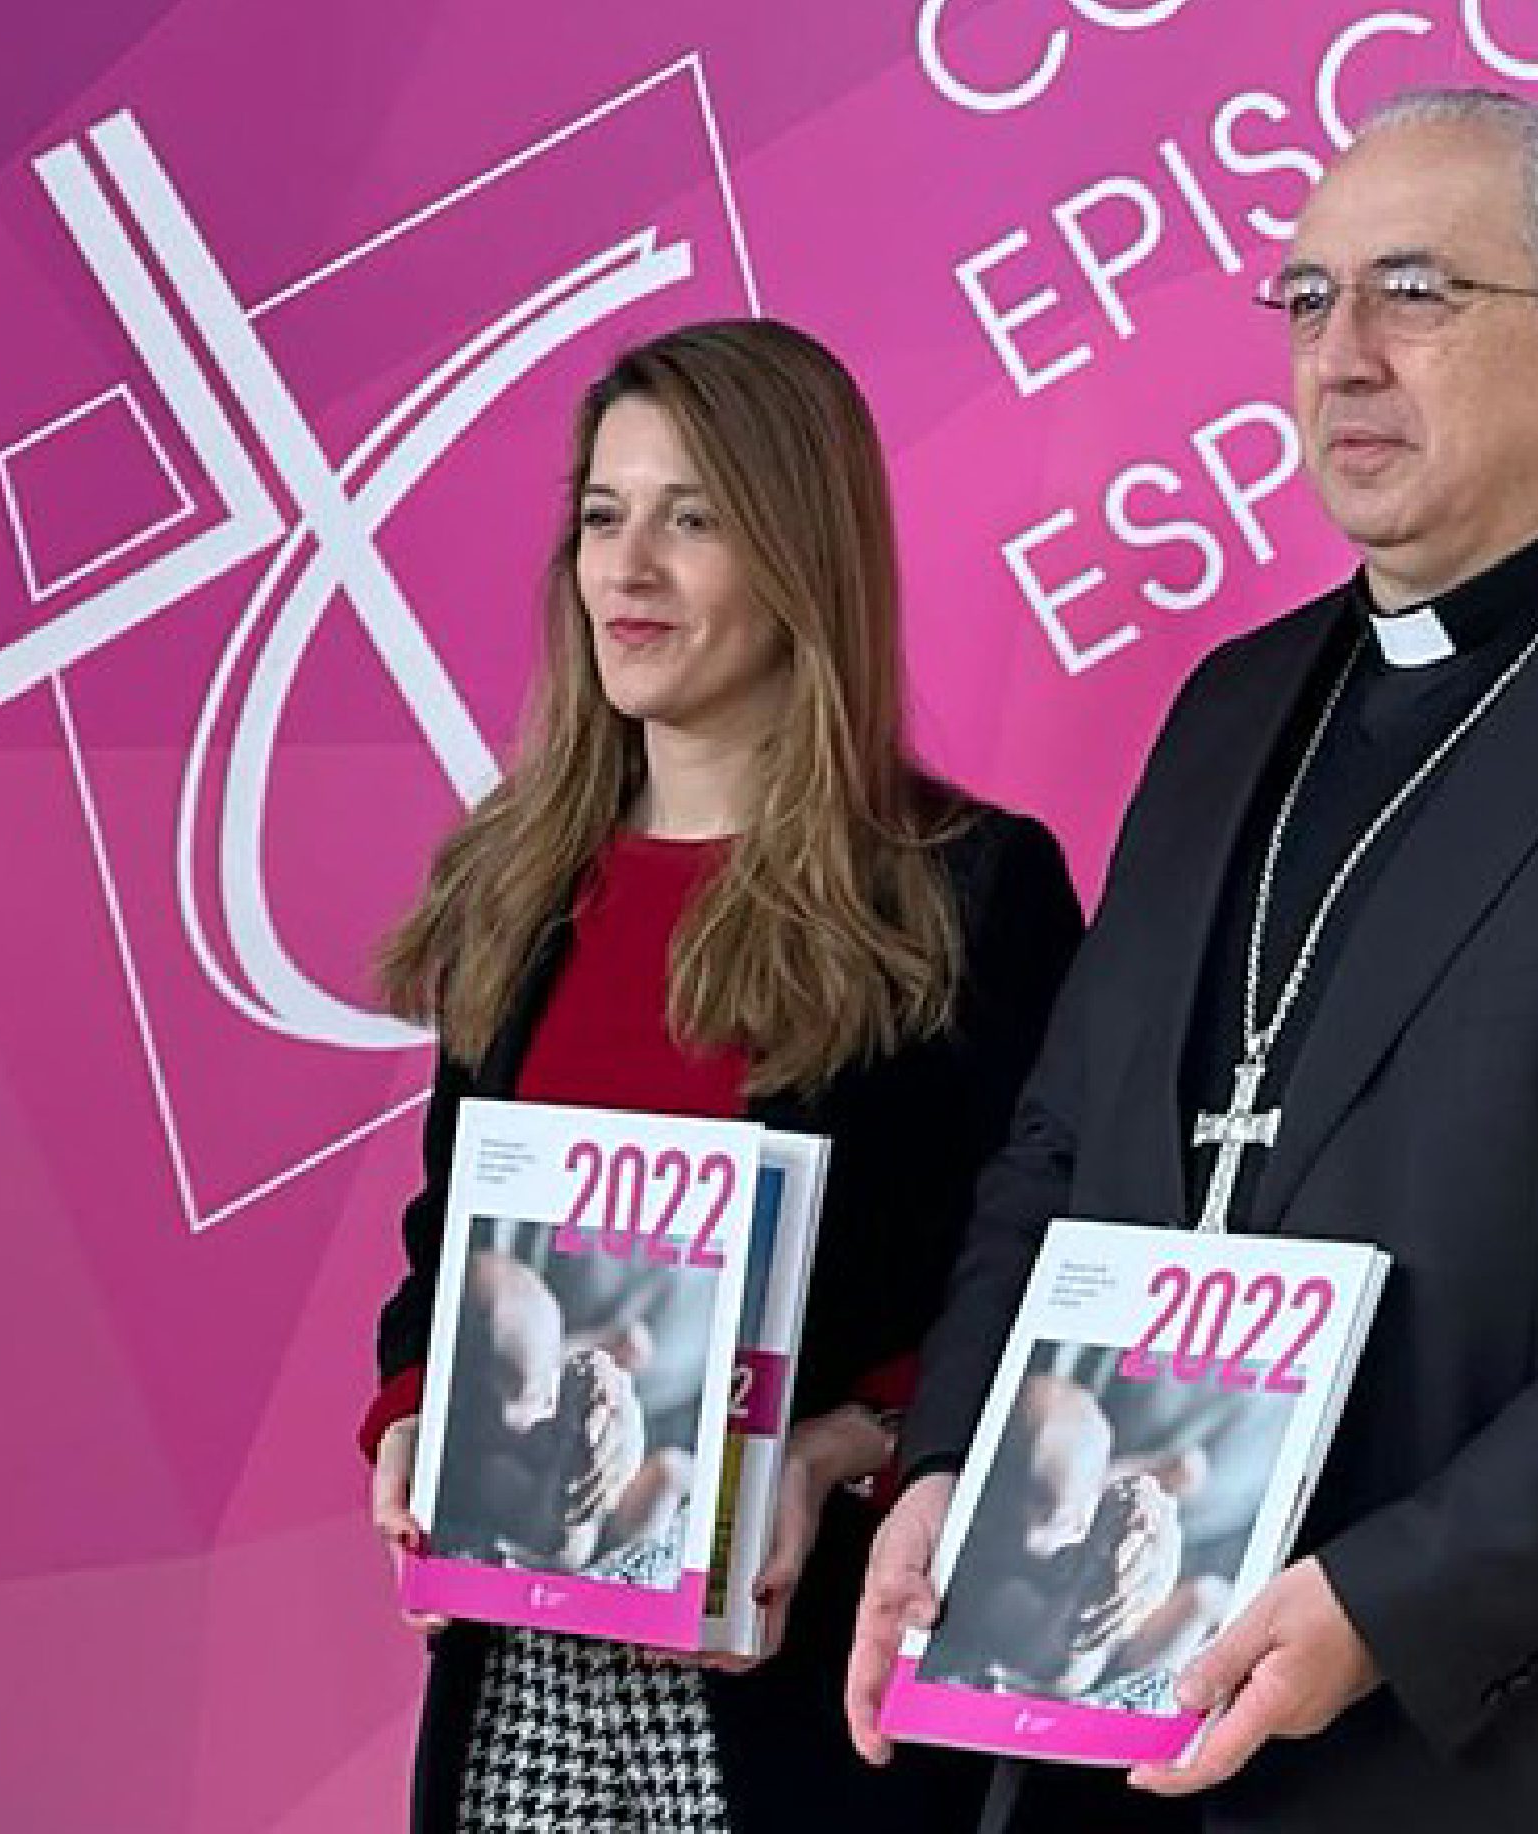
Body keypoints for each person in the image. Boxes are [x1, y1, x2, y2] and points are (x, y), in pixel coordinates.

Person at [850, 90, 1538, 1834]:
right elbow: (1061, 1149)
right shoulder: (1229, 711)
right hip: (1170, 1718)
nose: (1342, 358)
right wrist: (958, 1458)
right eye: (1308, 300)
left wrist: (1397, 1594)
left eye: (1413, 293)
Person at [359, 318, 1085, 1833]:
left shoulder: (963, 889)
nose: (627, 570)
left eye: (691, 520)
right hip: (518, 1682)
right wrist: (414, 1420)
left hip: (798, 1677)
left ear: (800, 554)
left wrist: (842, 1449)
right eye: (601, 516)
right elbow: (447, 1246)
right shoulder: (512, 884)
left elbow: (1035, 1273)